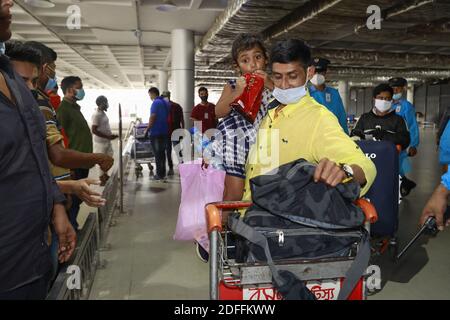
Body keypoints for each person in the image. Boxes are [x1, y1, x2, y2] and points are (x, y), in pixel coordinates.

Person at [0, 0, 75, 299]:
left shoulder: (13, 80)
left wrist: (56, 206)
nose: (9, 2)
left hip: (32, 256)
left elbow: (34, 157)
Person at [243, 39, 377, 206]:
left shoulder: (319, 119)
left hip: (278, 225)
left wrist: (345, 171)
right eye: (278, 77)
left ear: (309, 73)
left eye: (292, 76)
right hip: (248, 216)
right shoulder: (270, 111)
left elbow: (366, 166)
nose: (284, 85)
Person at [197, 33, 274, 263]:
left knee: (261, 194)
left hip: (263, 147)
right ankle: (216, 236)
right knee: (234, 194)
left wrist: (269, 83)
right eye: (245, 60)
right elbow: (219, 111)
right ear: (237, 65)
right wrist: (238, 92)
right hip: (235, 144)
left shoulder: (272, 85)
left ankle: (247, 236)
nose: (252, 64)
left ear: (266, 60)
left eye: (257, 57)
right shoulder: (232, 85)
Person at [56, 76, 95, 230]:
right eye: (80, 87)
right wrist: (68, 167)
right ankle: (71, 228)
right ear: (71, 89)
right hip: (74, 163)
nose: (82, 90)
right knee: (73, 198)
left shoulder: (74, 108)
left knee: (78, 197)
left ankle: (74, 225)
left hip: (81, 162)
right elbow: (61, 138)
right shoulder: (63, 109)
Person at [350, 83, 410, 150]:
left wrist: (384, 135)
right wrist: (365, 136)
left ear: (391, 100)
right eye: (381, 98)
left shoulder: (399, 120)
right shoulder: (364, 118)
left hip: (389, 158)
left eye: (387, 98)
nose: (384, 101)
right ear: (374, 98)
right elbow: (353, 137)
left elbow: (405, 140)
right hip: (366, 157)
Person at [389, 77, 420, 197]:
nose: (395, 91)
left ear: (403, 89)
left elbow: (412, 126)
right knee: (393, 167)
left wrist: (413, 144)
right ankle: (406, 184)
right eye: (393, 88)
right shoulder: (386, 103)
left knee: (395, 166)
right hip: (387, 142)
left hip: (400, 143)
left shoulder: (406, 106)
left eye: (398, 88)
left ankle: (402, 186)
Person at [309, 57, 349, 134]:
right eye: (314, 72)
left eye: (320, 72)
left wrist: (346, 137)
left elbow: (341, 118)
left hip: (331, 137)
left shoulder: (334, 94)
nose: (317, 75)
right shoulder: (305, 94)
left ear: (326, 73)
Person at [92, 95, 118, 185]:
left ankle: (105, 175)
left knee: (108, 158)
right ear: (100, 103)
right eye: (105, 102)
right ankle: (102, 179)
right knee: (100, 160)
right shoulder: (96, 115)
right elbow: (94, 130)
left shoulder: (103, 113)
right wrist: (107, 136)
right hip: (100, 143)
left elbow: (104, 127)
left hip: (107, 141)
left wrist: (110, 135)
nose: (107, 104)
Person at [144, 87, 170, 181]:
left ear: (153, 93)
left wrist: (147, 129)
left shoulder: (155, 103)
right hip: (164, 131)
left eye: (149, 95)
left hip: (156, 132)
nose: (150, 97)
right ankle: (162, 173)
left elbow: (153, 117)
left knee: (158, 155)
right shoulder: (166, 103)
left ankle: (159, 175)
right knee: (162, 154)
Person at [162, 90, 184, 175]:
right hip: (174, 130)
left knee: (168, 150)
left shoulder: (165, 106)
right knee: (177, 149)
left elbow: (181, 118)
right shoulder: (177, 106)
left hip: (168, 131)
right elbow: (182, 119)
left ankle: (171, 167)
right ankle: (181, 165)